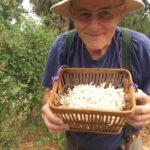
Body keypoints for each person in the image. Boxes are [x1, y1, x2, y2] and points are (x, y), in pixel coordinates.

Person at [41, 0, 150, 149]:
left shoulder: (139, 47)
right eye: (84, 14)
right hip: (75, 145)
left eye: (105, 13)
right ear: (73, 13)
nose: (94, 26)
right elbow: (49, 92)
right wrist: (49, 106)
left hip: (127, 144)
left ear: (120, 12)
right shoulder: (63, 46)